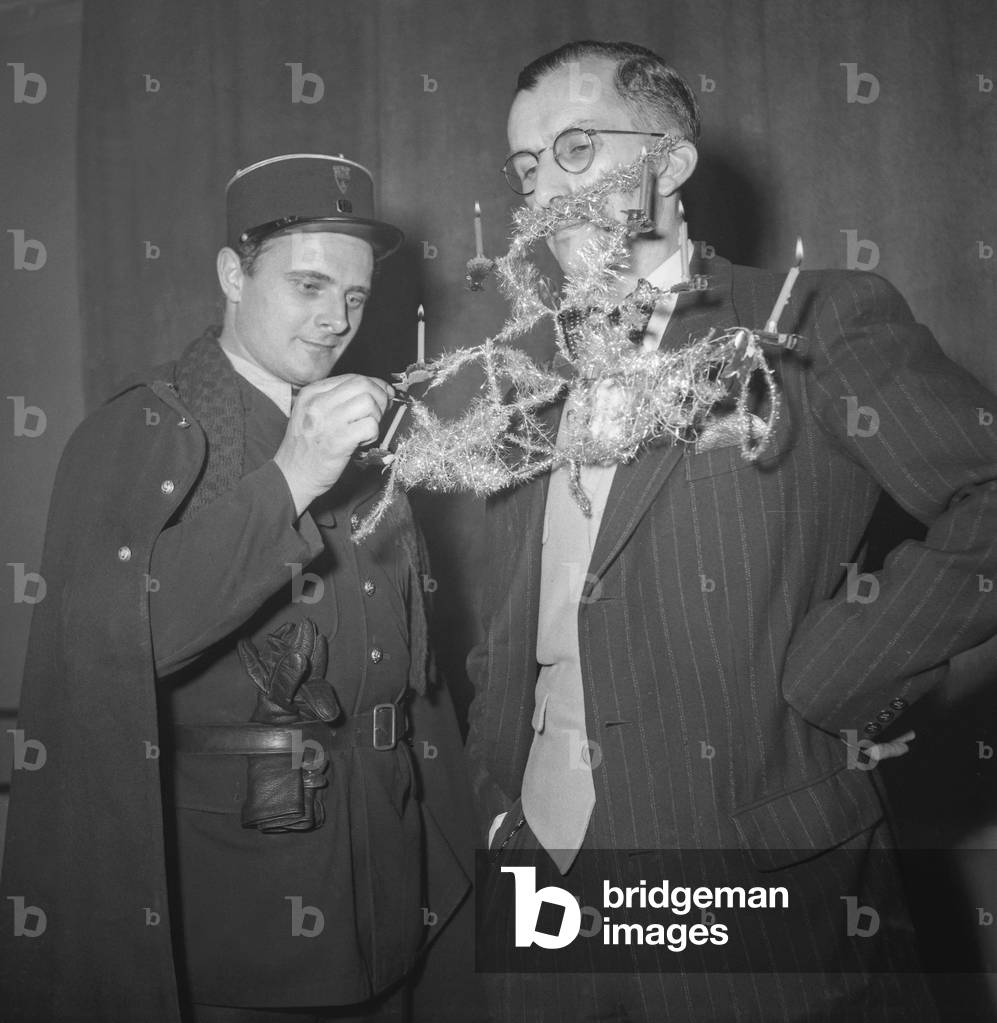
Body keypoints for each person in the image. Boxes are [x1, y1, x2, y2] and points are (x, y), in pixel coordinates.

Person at [466, 41, 997, 1021]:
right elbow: (516, 615)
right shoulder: (528, 368)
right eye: (526, 168)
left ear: (670, 161)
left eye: (575, 149)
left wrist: (834, 677)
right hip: (534, 865)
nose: (543, 191)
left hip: (745, 864)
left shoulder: (811, 320)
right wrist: (494, 797)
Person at [0, 153, 471, 1022]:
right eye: (307, 286)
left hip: (392, 876)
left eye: (356, 297)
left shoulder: (364, 429)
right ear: (231, 274)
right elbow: (116, 648)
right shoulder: (141, 430)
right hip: (242, 917)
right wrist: (290, 476)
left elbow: (413, 666)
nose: (335, 319)